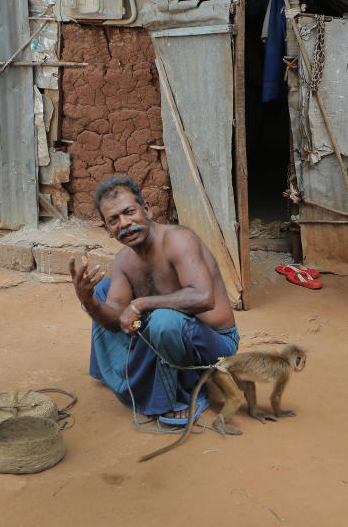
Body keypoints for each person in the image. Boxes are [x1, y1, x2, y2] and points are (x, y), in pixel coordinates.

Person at [69, 175, 239, 423]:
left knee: (162, 319)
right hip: (171, 332)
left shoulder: (178, 240)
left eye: (130, 212)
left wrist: (141, 303)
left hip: (215, 344)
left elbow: (203, 297)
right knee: (103, 290)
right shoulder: (124, 261)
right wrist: (89, 302)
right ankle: (118, 373)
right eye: (113, 220)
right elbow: (116, 317)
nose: (125, 223)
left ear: (146, 209)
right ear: (107, 229)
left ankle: (187, 392)